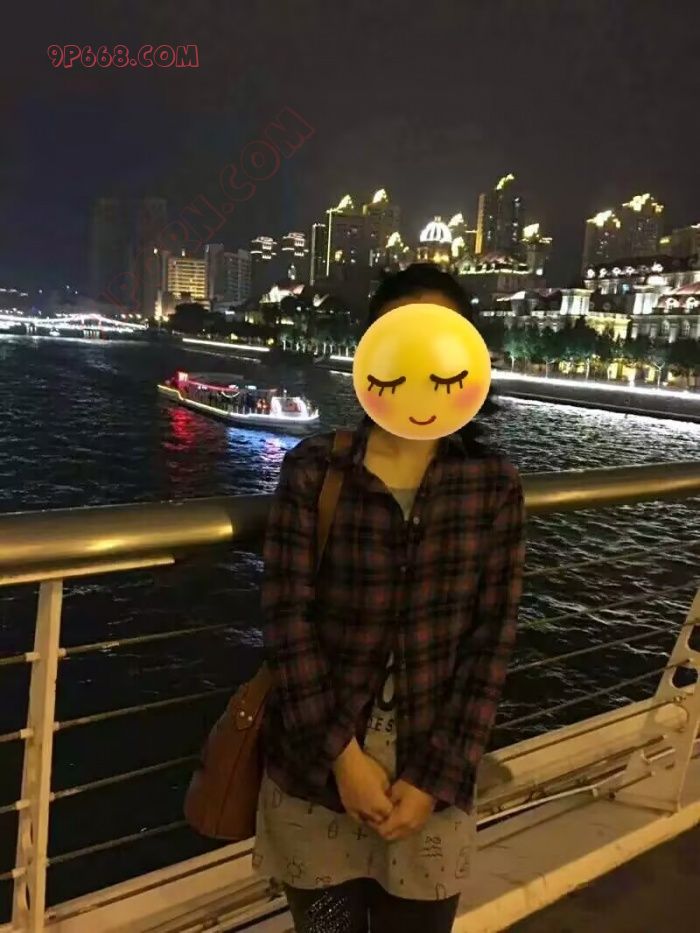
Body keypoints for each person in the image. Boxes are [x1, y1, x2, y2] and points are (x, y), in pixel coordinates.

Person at [254, 263, 525, 933]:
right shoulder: (315, 469)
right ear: (371, 354)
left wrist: (435, 776)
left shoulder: (492, 484)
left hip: (431, 784)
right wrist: (342, 758)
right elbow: (287, 621)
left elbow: (492, 639)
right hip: (317, 778)